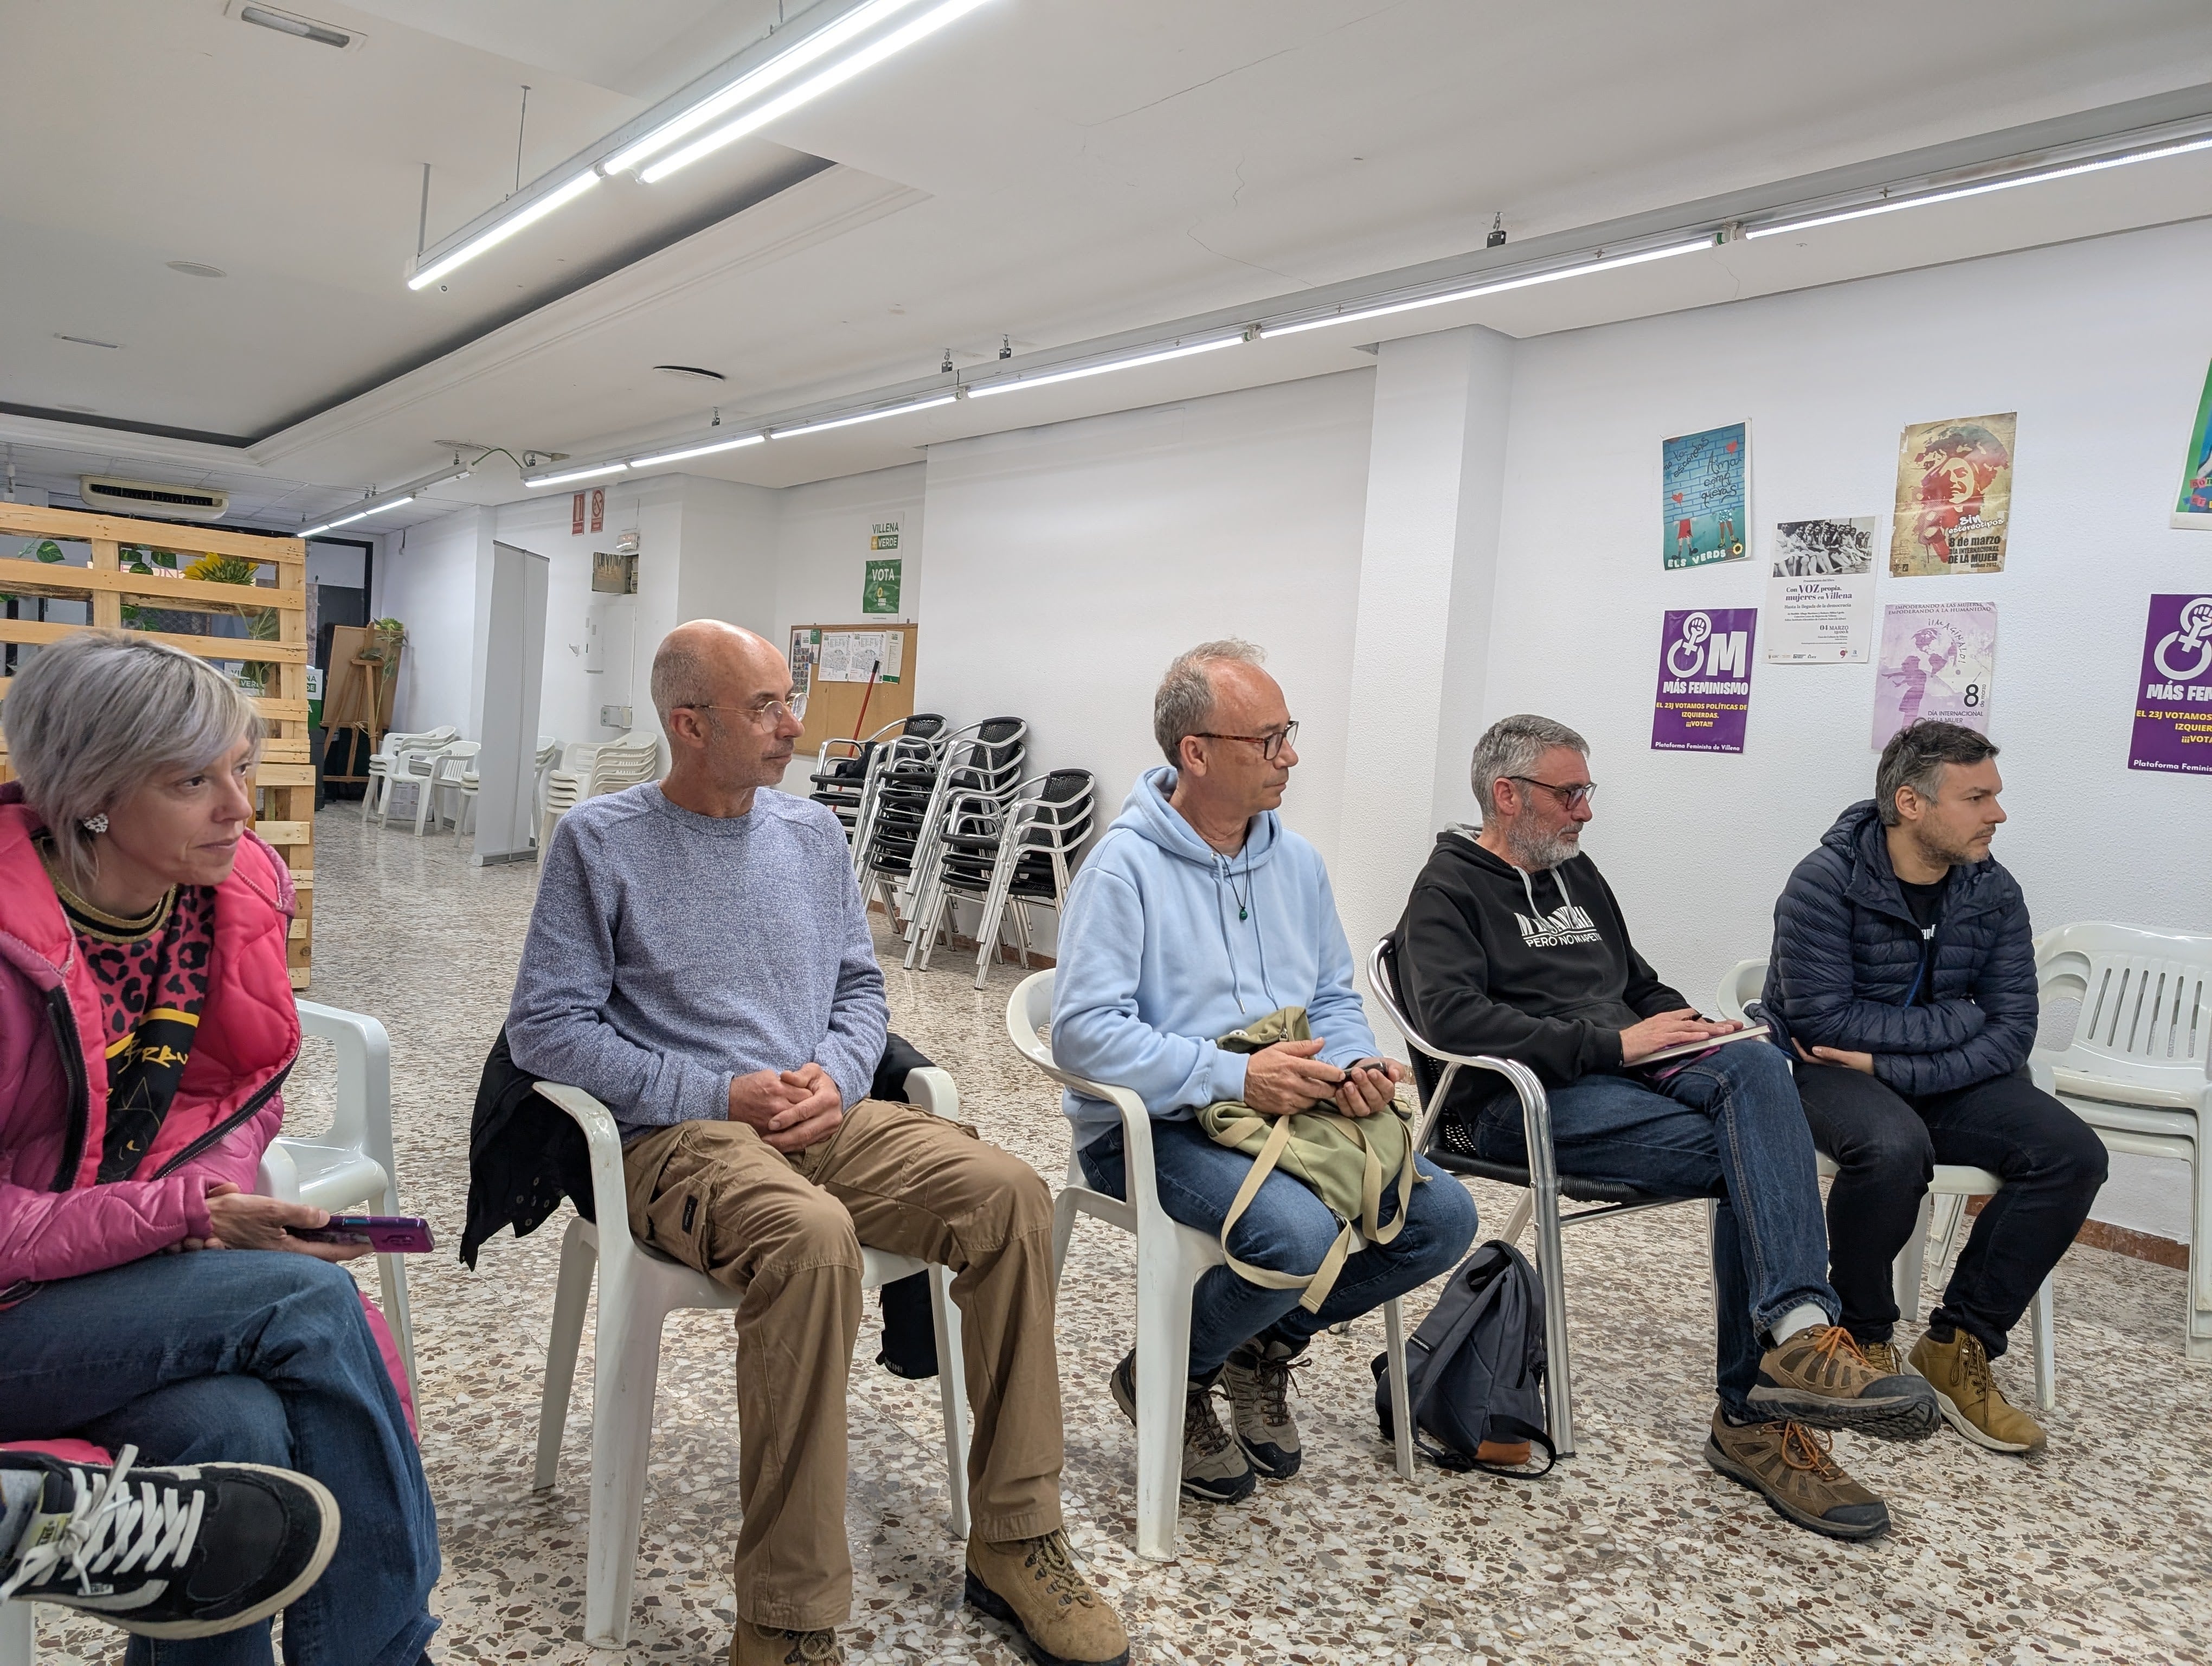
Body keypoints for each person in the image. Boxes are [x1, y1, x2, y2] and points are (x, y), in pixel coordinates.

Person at [505, 620, 1126, 1666]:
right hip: (683, 1139)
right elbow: (547, 1028)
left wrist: (837, 1078)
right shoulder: (600, 843)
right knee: (811, 1239)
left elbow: (859, 987)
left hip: (823, 1117)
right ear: (688, 724)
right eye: (766, 708)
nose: (795, 725)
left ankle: (1016, 1539)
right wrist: (721, 1090)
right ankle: (786, 1621)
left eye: (789, 701)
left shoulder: (809, 836)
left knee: (1009, 1194)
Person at [0, 631, 441, 1666]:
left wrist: (209, 1224)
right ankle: (386, 1656)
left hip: (115, 1285)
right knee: (308, 1301)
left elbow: (231, 1110)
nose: (240, 809)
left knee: (234, 1435)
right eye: (194, 780)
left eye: (241, 766)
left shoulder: (224, 901)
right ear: (93, 793)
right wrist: (188, 1223)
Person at [1391, 713, 1940, 1542]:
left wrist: (1684, 1024)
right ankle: (1764, 1401)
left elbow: (1636, 983)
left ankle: (1789, 1351)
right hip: (1515, 1106)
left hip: (1619, 1073)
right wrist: (1611, 1043)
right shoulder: (1448, 890)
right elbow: (1454, 1021)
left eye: (1587, 793)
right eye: (1567, 793)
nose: (1584, 811)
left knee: (1757, 1070)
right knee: (1752, 1149)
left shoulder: (1578, 876)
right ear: (1507, 796)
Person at [1051, 640, 1478, 1505]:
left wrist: (1355, 1063)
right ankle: (1169, 1374)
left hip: (1292, 1113)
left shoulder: (1298, 863)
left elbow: (1329, 994)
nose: (1291, 756)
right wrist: (1232, 1078)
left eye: (1289, 733)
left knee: (1444, 1218)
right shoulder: (1123, 867)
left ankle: (1256, 1346)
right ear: (1195, 753)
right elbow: (1084, 1037)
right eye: (1268, 739)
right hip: (1153, 1125)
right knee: (1296, 1234)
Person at [1763, 720, 2105, 1454]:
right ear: (1911, 805)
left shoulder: (1992, 889)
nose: (1998, 815)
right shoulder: (1823, 883)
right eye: (1977, 797)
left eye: (1996, 796)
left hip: (1911, 1074)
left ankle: (1959, 1345)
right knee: (1891, 1148)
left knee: (2072, 1153)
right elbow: (1826, 1022)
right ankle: (1861, 1334)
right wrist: (1959, 1019)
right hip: (1822, 1071)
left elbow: (2012, 1030)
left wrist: (1892, 1064)